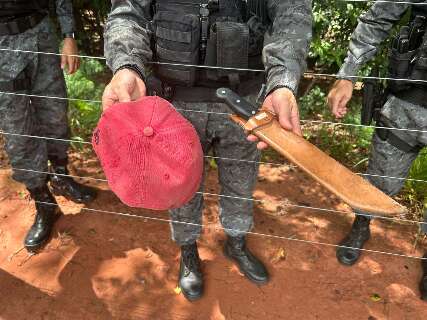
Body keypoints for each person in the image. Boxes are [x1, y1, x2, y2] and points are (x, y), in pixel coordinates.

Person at [102, 0, 312, 301]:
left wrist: (283, 80)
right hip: (173, 107)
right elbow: (128, 11)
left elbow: (292, 11)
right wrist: (126, 65)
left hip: (245, 102)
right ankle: (188, 253)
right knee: (179, 190)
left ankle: (236, 242)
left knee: (240, 183)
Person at [327, 0, 427, 300]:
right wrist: (348, 74)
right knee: (381, 181)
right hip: (407, 104)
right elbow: (377, 19)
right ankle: (362, 224)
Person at [0, 0, 96, 252]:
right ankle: (43, 200)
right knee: (18, 132)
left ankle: (61, 175)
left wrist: (69, 35)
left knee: (55, 111)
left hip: (40, 34)